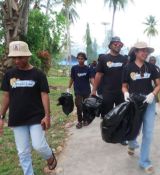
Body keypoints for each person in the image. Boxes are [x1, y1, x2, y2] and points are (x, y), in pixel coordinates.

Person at [0, 41, 57, 175]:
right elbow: (7, 97)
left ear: (28, 56)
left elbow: (44, 95)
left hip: (36, 116)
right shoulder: (9, 75)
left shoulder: (38, 74)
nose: (17, 60)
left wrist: (47, 116)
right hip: (17, 117)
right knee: (23, 151)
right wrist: (1, 116)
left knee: (39, 145)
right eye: (14, 57)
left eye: (20, 57)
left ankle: (49, 156)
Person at [122, 42, 160, 174]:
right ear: (136, 52)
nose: (145, 53)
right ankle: (132, 144)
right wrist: (126, 93)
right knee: (133, 129)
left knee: (148, 133)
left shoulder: (151, 67)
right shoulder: (128, 68)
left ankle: (144, 161)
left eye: (146, 51)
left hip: (149, 102)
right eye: (142, 51)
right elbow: (124, 85)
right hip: (134, 102)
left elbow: (158, 85)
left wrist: (153, 94)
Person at [92, 37, 128, 117]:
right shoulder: (103, 58)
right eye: (115, 44)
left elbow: (127, 76)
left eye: (120, 44)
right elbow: (98, 75)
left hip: (121, 93)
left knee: (121, 116)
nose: (118, 45)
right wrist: (94, 90)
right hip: (107, 93)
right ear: (110, 45)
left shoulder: (124, 59)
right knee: (107, 116)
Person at [67, 52, 94, 129]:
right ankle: (79, 121)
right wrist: (68, 87)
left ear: (85, 59)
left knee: (85, 106)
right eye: (78, 58)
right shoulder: (74, 68)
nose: (80, 60)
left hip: (86, 90)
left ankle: (85, 120)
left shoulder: (88, 69)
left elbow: (91, 79)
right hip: (78, 91)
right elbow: (72, 78)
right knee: (79, 106)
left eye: (82, 58)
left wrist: (94, 87)